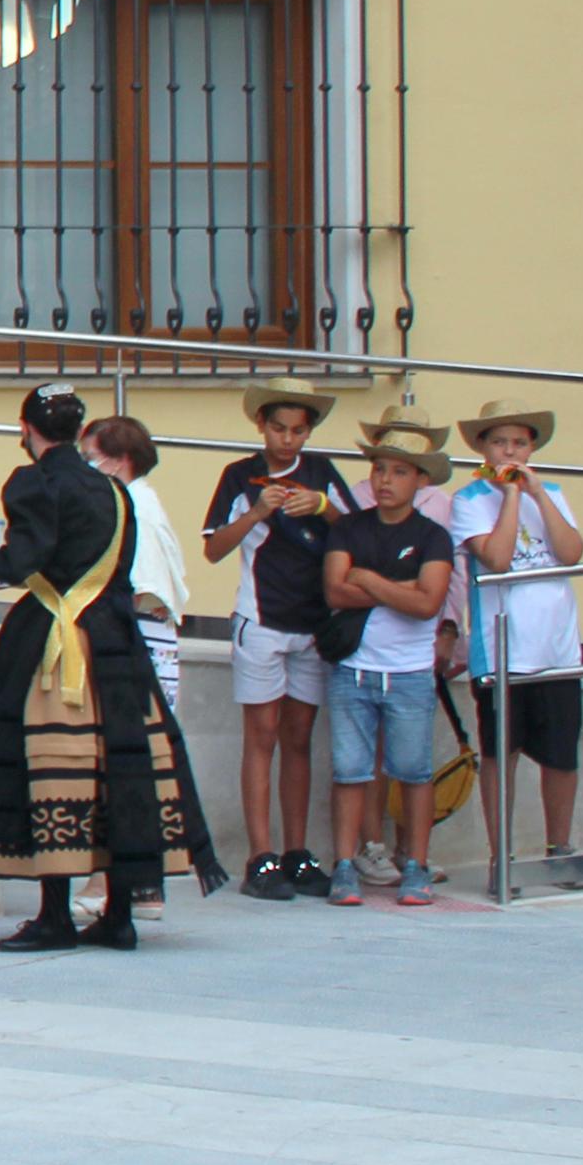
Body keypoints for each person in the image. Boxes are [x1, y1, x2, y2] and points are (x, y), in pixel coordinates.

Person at [0, 387, 219, 950]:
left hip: (54, 641)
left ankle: (55, 915)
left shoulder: (32, 482)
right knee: (115, 768)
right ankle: (119, 913)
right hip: (113, 642)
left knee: (54, 768)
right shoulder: (114, 489)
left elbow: (20, 562)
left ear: (27, 428)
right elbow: (122, 570)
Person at [201, 385, 361, 902]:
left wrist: (324, 509)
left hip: (314, 622)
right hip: (261, 619)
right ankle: (260, 856)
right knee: (262, 735)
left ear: (309, 433)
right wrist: (256, 513)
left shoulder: (322, 472)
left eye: (298, 430)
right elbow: (212, 550)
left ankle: (297, 852)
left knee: (298, 736)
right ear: (261, 427)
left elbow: (360, 533)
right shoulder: (239, 476)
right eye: (278, 428)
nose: (287, 439)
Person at [450, 397, 583, 886]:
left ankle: (559, 848)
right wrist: (509, 497)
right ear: (483, 448)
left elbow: (571, 552)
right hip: (503, 650)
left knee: (561, 756)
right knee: (499, 754)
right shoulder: (467, 501)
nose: (510, 451)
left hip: (557, 649)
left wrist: (538, 496)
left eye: (519, 443)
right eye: (500, 442)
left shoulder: (550, 491)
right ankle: (501, 856)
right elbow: (499, 559)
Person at [82, 416, 211, 923]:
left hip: (140, 645)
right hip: (138, 643)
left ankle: (113, 880)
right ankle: (142, 887)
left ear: (118, 461)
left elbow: (147, 590)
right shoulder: (133, 502)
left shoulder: (136, 506)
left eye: (91, 457)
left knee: (125, 767)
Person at [322, 424, 456, 911]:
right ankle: (344, 865)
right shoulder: (349, 527)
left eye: (399, 471)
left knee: (414, 772)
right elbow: (336, 590)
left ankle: (416, 864)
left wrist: (371, 580)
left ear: (420, 480)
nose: (385, 480)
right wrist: (401, 587)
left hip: (410, 673)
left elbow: (428, 604)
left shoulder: (433, 536)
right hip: (353, 670)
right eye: (379, 469)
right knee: (350, 771)